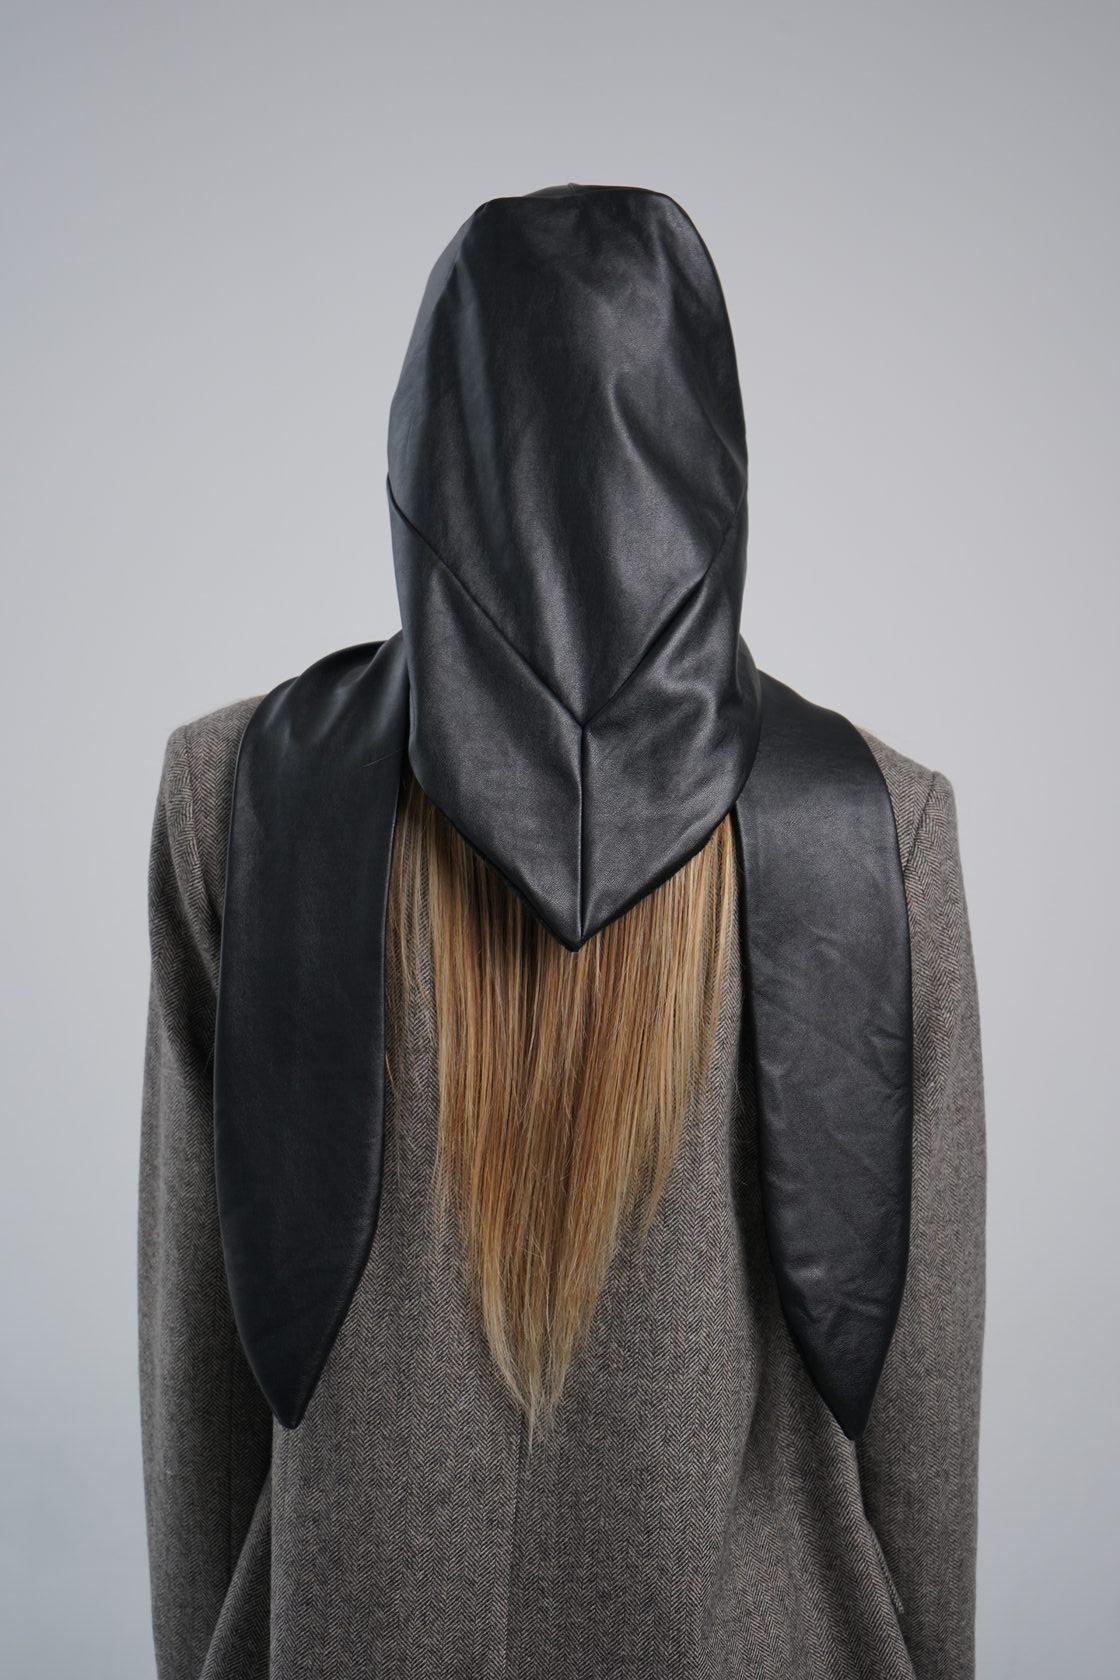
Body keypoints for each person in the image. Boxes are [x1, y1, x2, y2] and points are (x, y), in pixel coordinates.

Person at [138, 183, 986, 1679]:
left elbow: (200, 1388)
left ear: (425, 444)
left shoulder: (244, 794)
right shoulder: (869, 825)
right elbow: (918, 1421)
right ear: (713, 460)